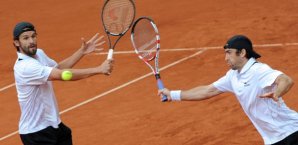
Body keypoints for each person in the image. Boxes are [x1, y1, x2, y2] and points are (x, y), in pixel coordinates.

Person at [158, 35, 298, 145]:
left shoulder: (258, 70)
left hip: (291, 132)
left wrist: (277, 93)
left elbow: (286, 80)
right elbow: (208, 90)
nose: (226, 58)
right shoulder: (233, 76)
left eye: (229, 53)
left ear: (242, 53)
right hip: (272, 138)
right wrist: (172, 94)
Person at [13, 21, 113, 145]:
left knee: (66, 134)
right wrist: (98, 69)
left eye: (33, 36)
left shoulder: (39, 53)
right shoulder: (24, 67)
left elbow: (58, 68)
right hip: (36, 133)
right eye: (26, 38)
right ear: (17, 43)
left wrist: (81, 52)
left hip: (54, 125)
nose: (31, 41)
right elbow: (62, 75)